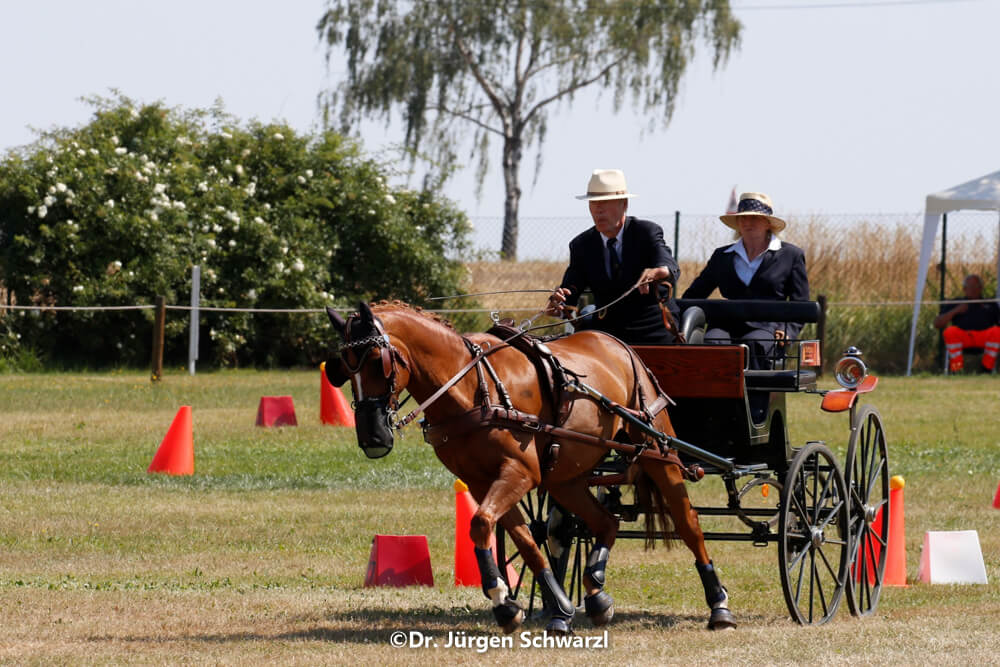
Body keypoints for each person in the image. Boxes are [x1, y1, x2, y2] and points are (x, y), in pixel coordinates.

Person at [546, 168, 680, 344]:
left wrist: (659, 272)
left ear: (623, 204)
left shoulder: (646, 232)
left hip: (652, 328)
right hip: (607, 331)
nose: (598, 209)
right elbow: (571, 288)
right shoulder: (582, 245)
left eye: (605, 202)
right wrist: (559, 304)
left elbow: (669, 265)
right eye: (593, 203)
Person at [682, 192, 809, 371]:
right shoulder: (722, 256)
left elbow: (800, 302)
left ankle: (754, 398)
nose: (748, 223)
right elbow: (695, 294)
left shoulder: (791, 255)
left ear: (767, 223)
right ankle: (713, 397)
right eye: (743, 218)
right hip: (726, 323)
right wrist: (676, 317)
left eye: (754, 218)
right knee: (713, 342)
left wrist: (787, 331)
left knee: (754, 344)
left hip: (767, 327)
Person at [933, 274, 1000, 373]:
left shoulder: (990, 303)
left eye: (976, 286)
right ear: (964, 289)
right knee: (950, 332)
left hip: (983, 337)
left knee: (997, 332)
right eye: (970, 287)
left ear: (981, 288)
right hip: (964, 337)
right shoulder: (956, 302)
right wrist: (956, 311)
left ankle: (987, 368)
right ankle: (957, 369)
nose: (973, 290)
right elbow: (937, 323)